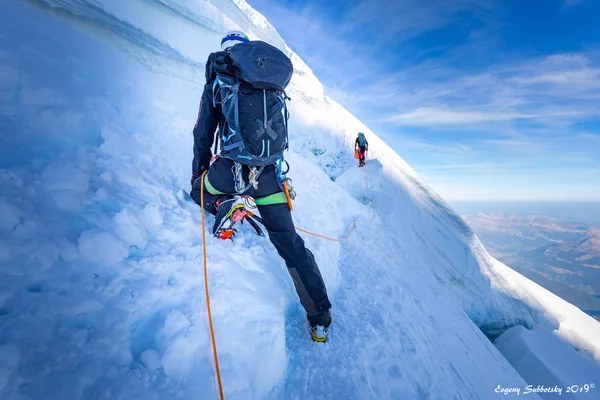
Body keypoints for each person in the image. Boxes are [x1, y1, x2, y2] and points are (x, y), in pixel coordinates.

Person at [189, 31, 332, 342]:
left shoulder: (219, 79)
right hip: (267, 177)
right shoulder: (269, 83)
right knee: (289, 242)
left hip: (227, 172)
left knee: (198, 190)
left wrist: (200, 172)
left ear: (226, 53)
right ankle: (319, 316)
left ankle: (224, 204)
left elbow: (203, 132)